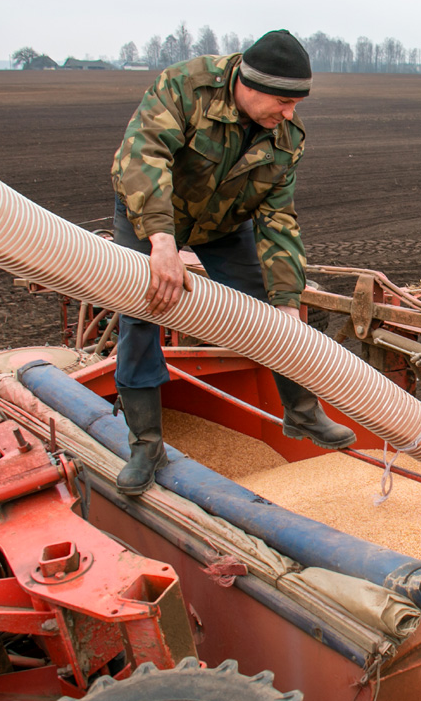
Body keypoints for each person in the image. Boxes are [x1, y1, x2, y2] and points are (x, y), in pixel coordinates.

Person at [109, 29, 355, 496]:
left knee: (271, 308)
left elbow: (278, 217)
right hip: (151, 211)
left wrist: (286, 301)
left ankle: (301, 412)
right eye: (284, 102)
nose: (291, 113)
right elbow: (144, 156)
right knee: (142, 313)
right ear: (251, 86)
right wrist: (162, 242)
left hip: (223, 223)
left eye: (297, 103)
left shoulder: (286, 136)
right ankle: (146, 444)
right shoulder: (185, 87)